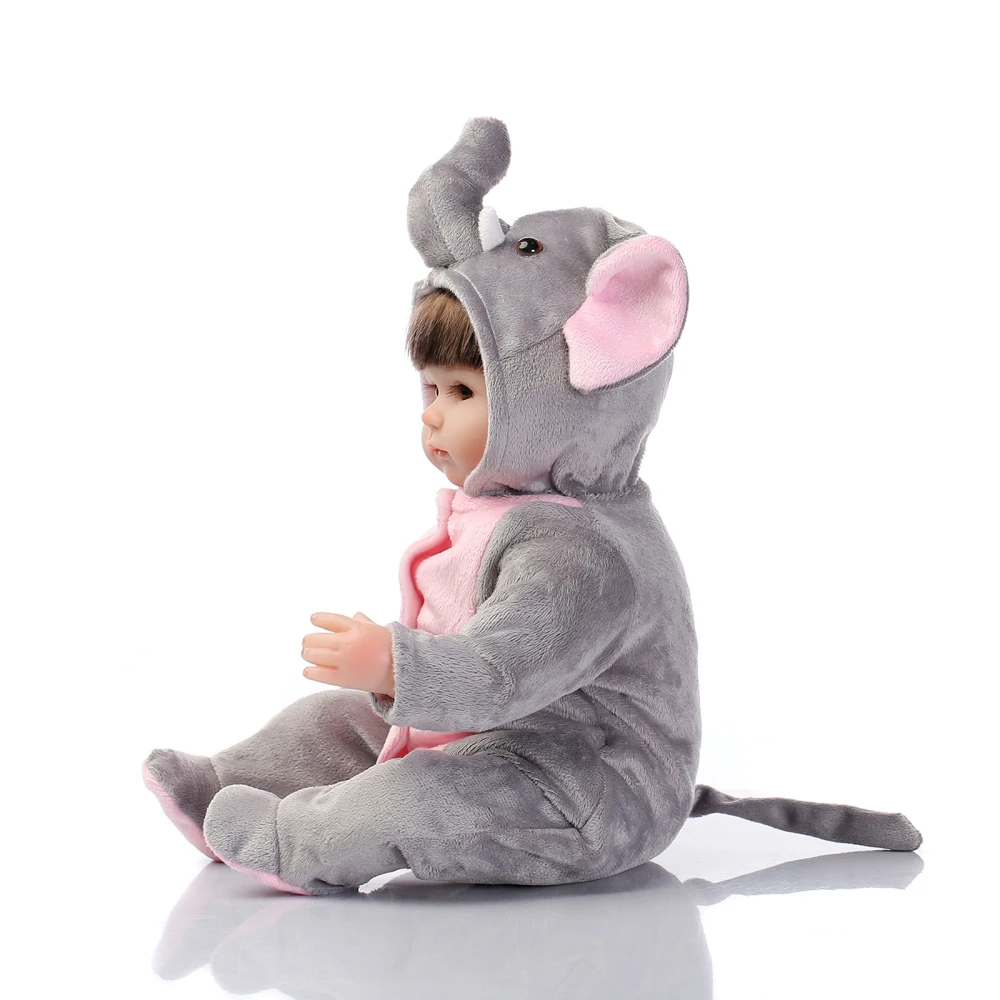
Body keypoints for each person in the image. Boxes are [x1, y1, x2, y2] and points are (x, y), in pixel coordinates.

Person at [142, 117, 921, 896]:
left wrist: (393, 662)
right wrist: (391, 680)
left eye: (463, 392)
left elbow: (502, 671)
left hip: (588, 785)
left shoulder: (582, 551)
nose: (433, 416)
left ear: (566, 393)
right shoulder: (521, 504)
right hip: (499, 727)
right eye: (429, 388)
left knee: (424, 795)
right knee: (343, 721)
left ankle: (300, 842)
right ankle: (229, 781)